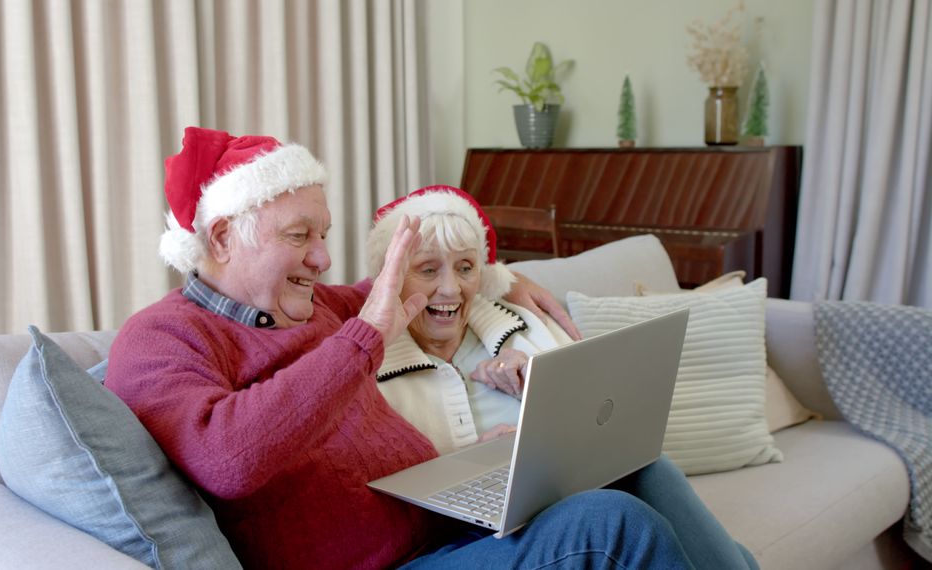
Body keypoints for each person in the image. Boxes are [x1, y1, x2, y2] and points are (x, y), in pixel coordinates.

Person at [106, 126, 694, 569]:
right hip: (387, 565)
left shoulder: (314, 304)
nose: (322, 258)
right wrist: (364, 337)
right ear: (222, 237)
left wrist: (500, 275)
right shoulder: (161, 339)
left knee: (626, 465)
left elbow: (425, 279)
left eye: (323, 235)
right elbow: (228, 459)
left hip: (441, 520)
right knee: (609, 525)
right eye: (299, 236)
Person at [366, 184, 759, 569]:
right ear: (392, 278)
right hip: (460, 536)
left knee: (647, 466)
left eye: (465, 267)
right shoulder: (367, 368)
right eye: (428, 269)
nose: (450, 288)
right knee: (612, 516)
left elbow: (592, 428)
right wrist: (486, 456)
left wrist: (531, 387)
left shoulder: (521, 328)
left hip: (547, 503)